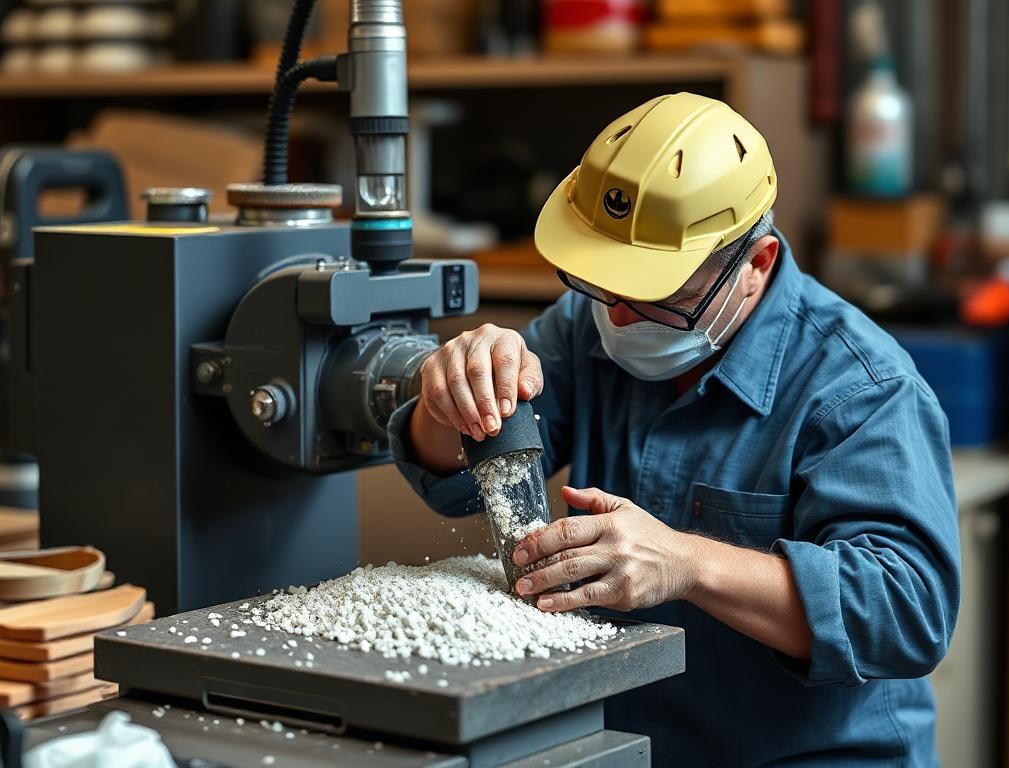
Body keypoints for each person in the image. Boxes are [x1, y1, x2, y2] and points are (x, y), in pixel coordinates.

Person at [388, 92, 960, 766]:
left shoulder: (859, 388)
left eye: (664, 298)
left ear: (757, 264)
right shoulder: (586, 325)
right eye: (604, 284)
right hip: (633, 743)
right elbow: (458, 486)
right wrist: (448, 396)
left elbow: (906, 613)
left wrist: (687, 564)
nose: (622, 320)